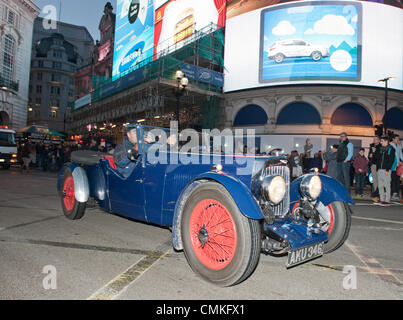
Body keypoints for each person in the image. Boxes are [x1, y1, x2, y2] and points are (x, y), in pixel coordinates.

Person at [374, 136, 396, 206]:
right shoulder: (380, 149)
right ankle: (382, 199)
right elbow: (377, 159)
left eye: (382, 141)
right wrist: (375, 152)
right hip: (379, 169)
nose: (381, 142)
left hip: (386, 170)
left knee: (387, 185)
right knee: (380, 186)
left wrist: (387, 169)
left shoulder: (391, 149)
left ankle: (387, 200)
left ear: (386, 141)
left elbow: (391, 160)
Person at [390, 134, 403, 201]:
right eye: (397, 138)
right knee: (393, 180)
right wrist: (398, 162)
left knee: (398, 180)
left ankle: (397, 193)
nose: (398, 140)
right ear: (393, 139)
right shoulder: (390, 145)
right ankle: (393, 193)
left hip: (398, 166)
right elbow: (393, 156)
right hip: (392, 166)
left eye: (398, 139)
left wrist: (402, 161)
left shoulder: (399, 146)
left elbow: (400, 155)